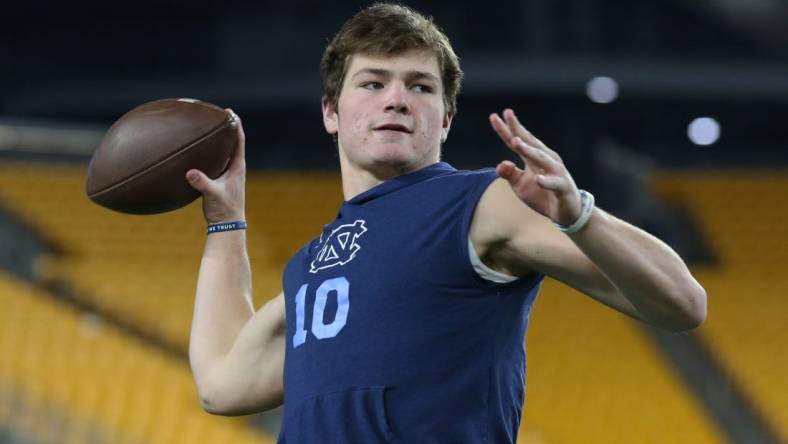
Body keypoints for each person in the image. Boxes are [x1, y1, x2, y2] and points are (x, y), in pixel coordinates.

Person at [185, 3, 707, 443]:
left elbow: (683, 302)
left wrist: (579, 217)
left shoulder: (478, 202)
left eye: (420, 87)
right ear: (331, 111)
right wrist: (226, 223)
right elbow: (221, 383)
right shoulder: (314, 266)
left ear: (446, 118)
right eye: (372, 83)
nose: (396, 98)